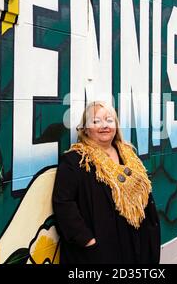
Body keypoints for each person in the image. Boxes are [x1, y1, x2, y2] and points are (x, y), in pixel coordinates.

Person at [52, 101, 161, 264]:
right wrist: (87, 240)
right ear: (86, 129)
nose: (105, 125)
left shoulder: (128, 155)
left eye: (109, 120)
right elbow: (63, 203)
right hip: (100, 251)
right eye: (96, 121)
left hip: (136, 244)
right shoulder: (76, 160)